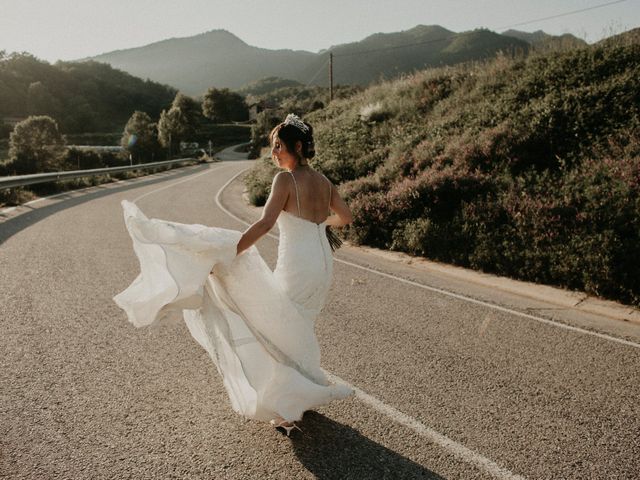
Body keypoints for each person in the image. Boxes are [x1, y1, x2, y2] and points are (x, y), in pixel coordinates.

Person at [114, 114, 354, 437]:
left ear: (297, 146)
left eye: (279, 147)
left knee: (272, 329)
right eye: (272, 148)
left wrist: (231, 252)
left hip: (298, 263)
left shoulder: (286, 181)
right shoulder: (324, 182)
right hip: (321, 264)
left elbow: (266, 224)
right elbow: (347, 216)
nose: (274, 154)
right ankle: (300, 394)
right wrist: (322, 226)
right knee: (295, 326)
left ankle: (286, 406)